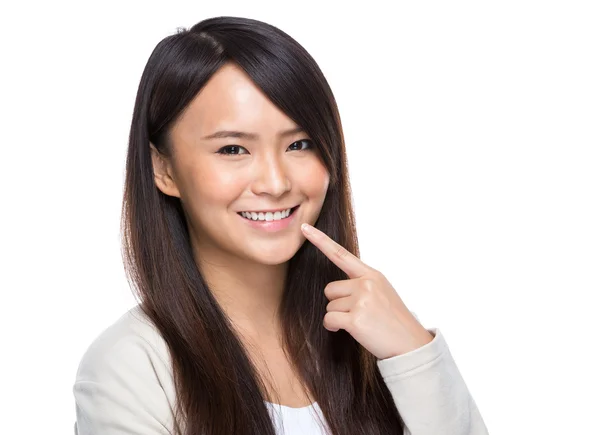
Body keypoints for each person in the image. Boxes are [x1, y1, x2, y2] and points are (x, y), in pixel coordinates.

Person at [72, 16, 489, 435]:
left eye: (299, 144)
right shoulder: (131, 366)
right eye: (233, 149)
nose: (275, 183)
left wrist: (415, 353)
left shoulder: (379, 334)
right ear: (164, 169)